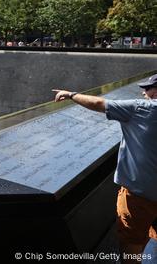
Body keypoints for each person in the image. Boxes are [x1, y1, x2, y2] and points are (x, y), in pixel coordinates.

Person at [54, 73, 157, 264]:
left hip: (139, 196)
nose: (143, 92)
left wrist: (71, 95)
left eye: (147, 89)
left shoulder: (141, 108)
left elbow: (99, 104)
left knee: (131, 242)